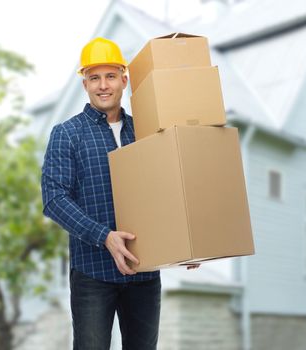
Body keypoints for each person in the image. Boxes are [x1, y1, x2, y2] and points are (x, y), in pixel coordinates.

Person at [41, 37, 197, 350]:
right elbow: (54, 198)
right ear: (84, 84)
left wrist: (187, 243)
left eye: (110, 76)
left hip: (143, 273)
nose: (103, 85)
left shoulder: (146, 132)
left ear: (124, 80)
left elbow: (164, 192)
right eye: (94, 78)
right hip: (93, 274)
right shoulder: (67, 134)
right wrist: (105, 236)